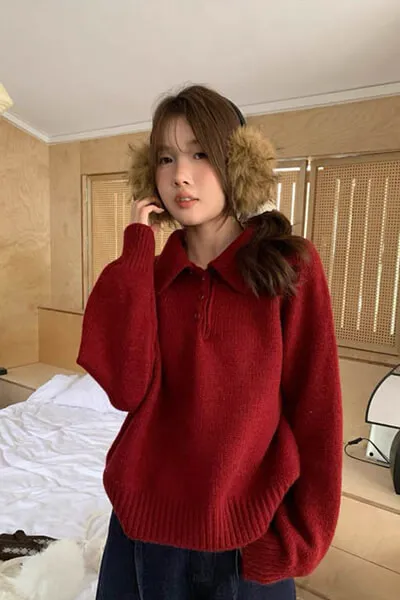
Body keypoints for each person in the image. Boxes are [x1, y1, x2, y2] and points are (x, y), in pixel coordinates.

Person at [77, 85, 342, 600]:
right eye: (166, 158)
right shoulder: (148, 275)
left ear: (237, 163)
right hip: (144, 532)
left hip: (249, 535)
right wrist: (138, 247)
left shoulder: (290, 268)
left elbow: (318, 412)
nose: (180, 174)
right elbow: (126, 389)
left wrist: (299, 539)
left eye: (200, 154)